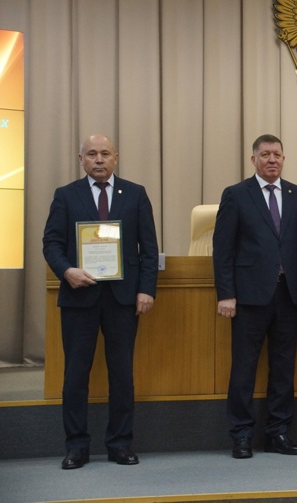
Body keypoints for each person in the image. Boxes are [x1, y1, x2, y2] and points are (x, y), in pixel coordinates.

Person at [42, 134, 159, 470]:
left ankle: (120, 444)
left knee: (122, 373)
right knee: (76, 374)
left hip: (123, 300)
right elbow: (51, 242)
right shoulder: (66, 196)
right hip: (80, 297)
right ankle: (76, 446)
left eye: (104, 153)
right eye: (91, 154)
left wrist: (146, 289)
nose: (98, 159)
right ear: (81, 159)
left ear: (115, 157)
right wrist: (66, 271)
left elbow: (148, 248)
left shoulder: (135, 194)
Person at [213, 134, 297, 459]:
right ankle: (241, 435)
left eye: (277, 154)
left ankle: (278, 433)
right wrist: (226, 294)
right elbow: (223, 249)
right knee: (244, 367)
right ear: (253, 159)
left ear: (284, 159)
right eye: (265, 154)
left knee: (283, 368)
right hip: (248, 297)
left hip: (289, 295)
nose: (272, 159)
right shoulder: (236, 195)